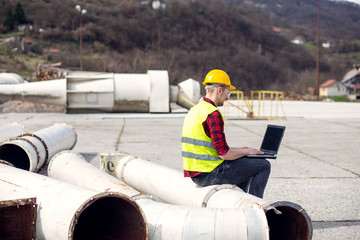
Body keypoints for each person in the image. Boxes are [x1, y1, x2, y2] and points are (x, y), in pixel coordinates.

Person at [181, 69, 271, 198]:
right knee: (263, 165)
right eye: (227, 93)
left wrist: (245, 150)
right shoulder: (213, 114)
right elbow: (224, 154)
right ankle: (255, 206)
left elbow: (215, 148)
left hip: (196, 174)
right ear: (219, 90)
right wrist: (246, 152)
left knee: (244, 161)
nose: (227, 98)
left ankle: (239, 200)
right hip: (210, 174)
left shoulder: (195, 110)